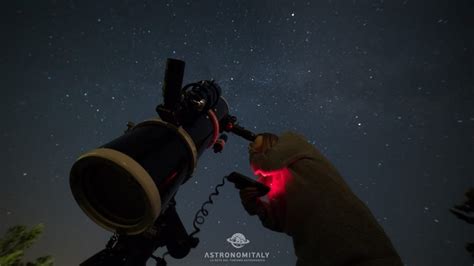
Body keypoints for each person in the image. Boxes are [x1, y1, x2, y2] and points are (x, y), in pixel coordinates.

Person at [239, 131, 403, 266]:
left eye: (254, 144)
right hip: (315, 256)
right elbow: (280, 223)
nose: (251, 148)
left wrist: (255, 152)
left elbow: (267, 163)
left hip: (362, 251)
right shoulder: (275, 183)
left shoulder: (292, 141)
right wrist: (256, 206)